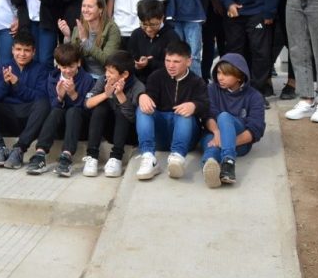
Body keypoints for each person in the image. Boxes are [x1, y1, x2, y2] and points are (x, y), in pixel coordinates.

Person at [0, 32, 51, 170]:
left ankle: (19, 149)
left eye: (27, 50)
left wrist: (17, 84)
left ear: (34, 52)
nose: (22, 54)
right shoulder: (4, 67)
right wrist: (5, 83)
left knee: (44, 104)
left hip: (29, 116)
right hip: (7, 113)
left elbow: (40, 96)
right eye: (18, 49)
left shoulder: (41, 69)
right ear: (12, 50)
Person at [134, 41, 207, 181]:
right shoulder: (156, 76)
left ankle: (177, 159)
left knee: (184, 111)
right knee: (142, 108)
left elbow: (206, 107)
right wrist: (141, 96)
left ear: (188, 61)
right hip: (160, 135)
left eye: (176, 61)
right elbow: (150, 99)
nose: (170, 65)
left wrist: (194, 106)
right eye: (167, 60)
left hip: (186, 137)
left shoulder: (197, 82)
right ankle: (149, 158)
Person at [25, 42, 95, 177]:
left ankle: (66, 157)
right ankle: (40, 153)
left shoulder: (87, 79)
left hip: (78, 125)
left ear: (78, 63)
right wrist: (60, 97)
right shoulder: (53, 79)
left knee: (73, 111)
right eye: (63, 67)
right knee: (56, 111)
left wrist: (74, 94)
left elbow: (87, 108)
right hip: (58, 124)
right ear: (57, 64)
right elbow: (53, 107)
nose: (67, 70)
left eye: (71, 66)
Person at [201, 53, 266, 188]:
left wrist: (227, 142)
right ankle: (211, 165)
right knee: (209, 143)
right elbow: (208, 115)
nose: (220, 77)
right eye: (218, 72)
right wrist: (218, 134)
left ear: (239, 76)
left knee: (224, 116)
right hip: (214, 135)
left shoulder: (254, 96)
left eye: (226, 74)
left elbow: (256, 129)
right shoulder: (211, 89)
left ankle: (228, 161)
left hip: (240, 141)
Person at [83, 50, 140, 178]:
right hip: (109, 130)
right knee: (100, 107)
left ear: (124, 74)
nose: (107, 75)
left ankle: (116, 158)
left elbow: (133, 118)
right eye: (106, 70)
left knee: (121, 110)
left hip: (128, 134)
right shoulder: (103, 80)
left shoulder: (137, 86)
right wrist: (106, 94)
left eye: (111, 72)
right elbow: (87, 103)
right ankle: (91, 156)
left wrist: (120, 95)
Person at [60, 0, 121, 76]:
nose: (85, 10)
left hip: (104, 78)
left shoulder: (112, 29)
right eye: (83, 6)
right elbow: (72, 57)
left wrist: (85, 41)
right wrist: (67, 37)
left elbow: (107, 60)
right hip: (83, 77)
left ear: (100, 9)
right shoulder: (79, 27)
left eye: (90, 7)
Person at [126, 0, 177, 82]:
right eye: (144, 24)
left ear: (162, 18)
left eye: (153, 25)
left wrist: (150, 63)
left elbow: (175, 66)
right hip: (139, 83)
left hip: (164, 83)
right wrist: (136, 65)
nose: (148, 29)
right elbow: (129, 61)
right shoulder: (136, 34)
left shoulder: (171, 36)